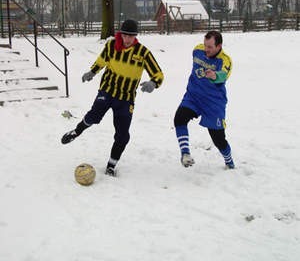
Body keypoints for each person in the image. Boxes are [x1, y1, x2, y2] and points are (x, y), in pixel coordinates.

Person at [61, 19, 164, 176]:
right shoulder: (111, 45)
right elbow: (101, 60)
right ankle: (76, 131)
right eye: (125, 35)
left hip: (126, 98)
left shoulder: (143, 53)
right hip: (107, 91)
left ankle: (111, 165)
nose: (127, 39)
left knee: (123, 135)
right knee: (93, 116)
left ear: (135, 36)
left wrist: (153, 83)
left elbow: (158, 73)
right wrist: (92, 72)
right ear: (121, 34)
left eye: (131, 36)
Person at [174, 30, 235, 169]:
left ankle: (229, 161)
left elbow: (224, 75)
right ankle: (185, 154)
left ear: (219, 46)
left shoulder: (225, 60)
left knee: (218, 139)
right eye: (205, 45)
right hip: (193, 97)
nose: (206, 49)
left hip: (213, 102)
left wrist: (215, 76)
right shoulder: (197, 50)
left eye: (210, 47)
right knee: (179, 119)